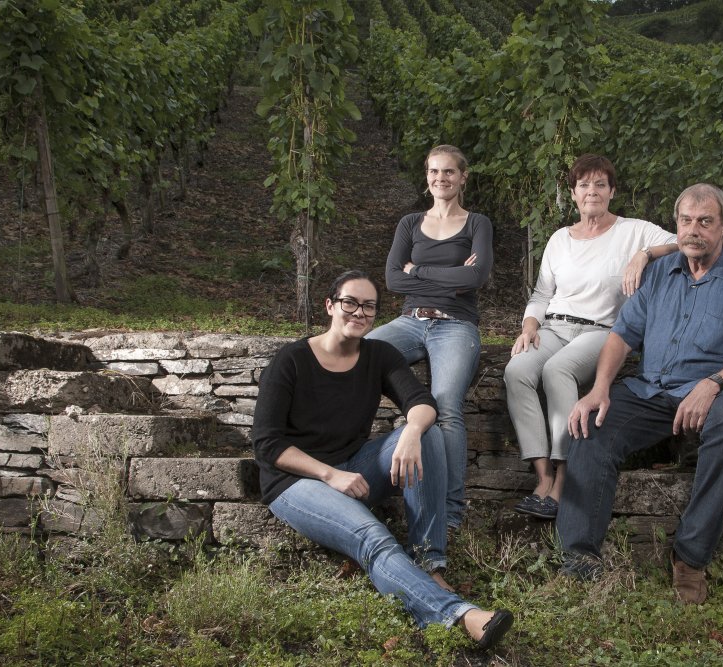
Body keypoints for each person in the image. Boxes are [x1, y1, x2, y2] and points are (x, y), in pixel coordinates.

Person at [252, 270, 513, 648]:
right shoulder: (291, 360)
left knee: (429, 432)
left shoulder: (378, 355)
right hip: (296, 481)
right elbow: (267, 446)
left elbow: (423, 403)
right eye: (350, 303)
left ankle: (429, 563)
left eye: (369, 306)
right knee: (373, 536)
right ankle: (460, 615)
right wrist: (328, 475)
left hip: (353, 468)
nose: (359, 312)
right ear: (330, 305)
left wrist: (410, 431)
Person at [556, 183, 723, 604]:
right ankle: (579, 559)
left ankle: (691, 559)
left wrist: (713, 383)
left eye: (705, 221)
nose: (694, 230)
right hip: (654, 390)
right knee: (589, 426)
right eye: (685, 221)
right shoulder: (660, 273)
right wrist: (599, 389)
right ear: (675, 225)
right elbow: (621, 337)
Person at [504, 154, 677, 520]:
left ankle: (566, 477)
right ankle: (543, 477)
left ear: (612, 191)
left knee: (557, 372)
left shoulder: (634, 231)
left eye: (600, 184)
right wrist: (529, 326)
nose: (592, 191)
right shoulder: (558, 239)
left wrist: (644, 255)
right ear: (573, 193)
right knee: (517, 371)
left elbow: (683, 241)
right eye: (584, 185)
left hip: (601, 331)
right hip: (553, 326)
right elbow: (540, 295)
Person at [367, 145, 493, 530]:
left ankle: (452, 511)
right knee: (360, 358)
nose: (441, 178)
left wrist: (417, 269)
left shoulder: (477, 224)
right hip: (409, 320)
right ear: (427, 177)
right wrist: (451, 273)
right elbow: (392, 279)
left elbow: (476, 278)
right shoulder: (409, 223)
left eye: (449, 172)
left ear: (463, 176)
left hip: (456, 325)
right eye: (434, 172)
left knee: (447, 406)